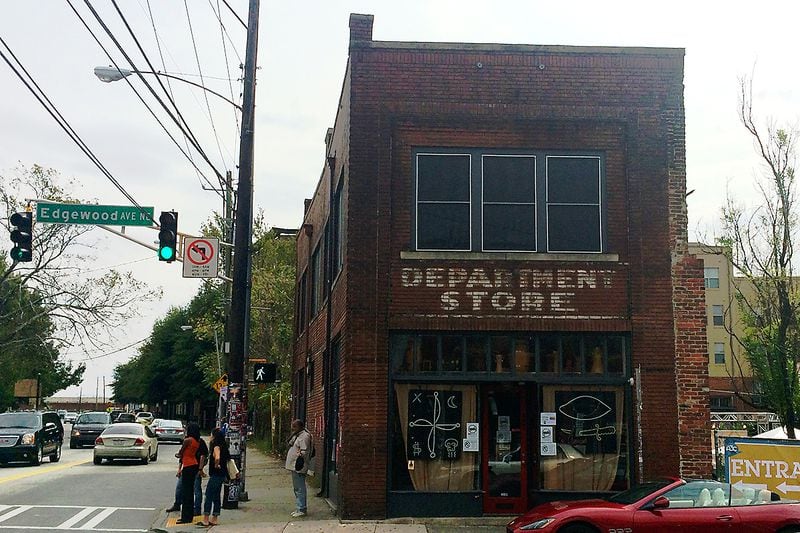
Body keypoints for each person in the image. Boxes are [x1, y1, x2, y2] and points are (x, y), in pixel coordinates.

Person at [166, 428, 208, 517]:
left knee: (194, 489)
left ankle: (196, 509)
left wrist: (200, 469)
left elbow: (202, 456)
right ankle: (178, 504)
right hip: (189, 466)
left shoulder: (191, 441)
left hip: (192, 467)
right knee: (181, 488)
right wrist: (179, 468)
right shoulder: (195, 441)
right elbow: (183, 456)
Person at [199, 428, 230, 527]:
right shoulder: (224, 446)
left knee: (209, 495)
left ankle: (206, 518)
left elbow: (217, 457)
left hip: (216, 474)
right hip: (222, 474)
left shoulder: (216, 447)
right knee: (216, 496)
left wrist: (216, 464)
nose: (210, 437)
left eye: (211, 435)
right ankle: (215, 517)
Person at [285, 419, 312, 518]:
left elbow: (304, 451)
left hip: (298, 465)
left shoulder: (304, 436)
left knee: (300, 487)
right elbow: (290, 443)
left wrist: (299, 460)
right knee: (297, 487)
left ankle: (302, 508)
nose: (293, 428)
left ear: (300, 426)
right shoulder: (298, 435)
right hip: (294, 465)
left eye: (295, 427)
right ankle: (299, 506)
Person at [175, 422, 201, 524]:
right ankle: (189, 515)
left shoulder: (187, 440)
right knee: (190, 491)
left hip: (188, 466)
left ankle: (185, 517)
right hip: (194, 464)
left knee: (186, 492)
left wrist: (178, 455)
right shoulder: (196, 441)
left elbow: (180, 453)